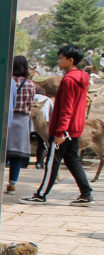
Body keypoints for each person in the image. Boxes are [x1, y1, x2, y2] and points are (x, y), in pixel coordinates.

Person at [22, 45, 94, 206]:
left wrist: (60, 132)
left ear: (71, 60)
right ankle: (86, 193)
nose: (59, 61)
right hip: (75, 127)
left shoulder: (68, 81)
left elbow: (66, 108)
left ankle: (41, 194)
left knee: (51, 161)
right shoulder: (82, 78)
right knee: (72, 160)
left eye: (61, 58)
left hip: (64, 129)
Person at [5, 56, 35, 194]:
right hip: (22, 120)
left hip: (7, 118)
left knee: (3, 152)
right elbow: (30, 102)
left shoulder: (7, 81)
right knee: (17, 154)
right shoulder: (30, 84)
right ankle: (12, 184)